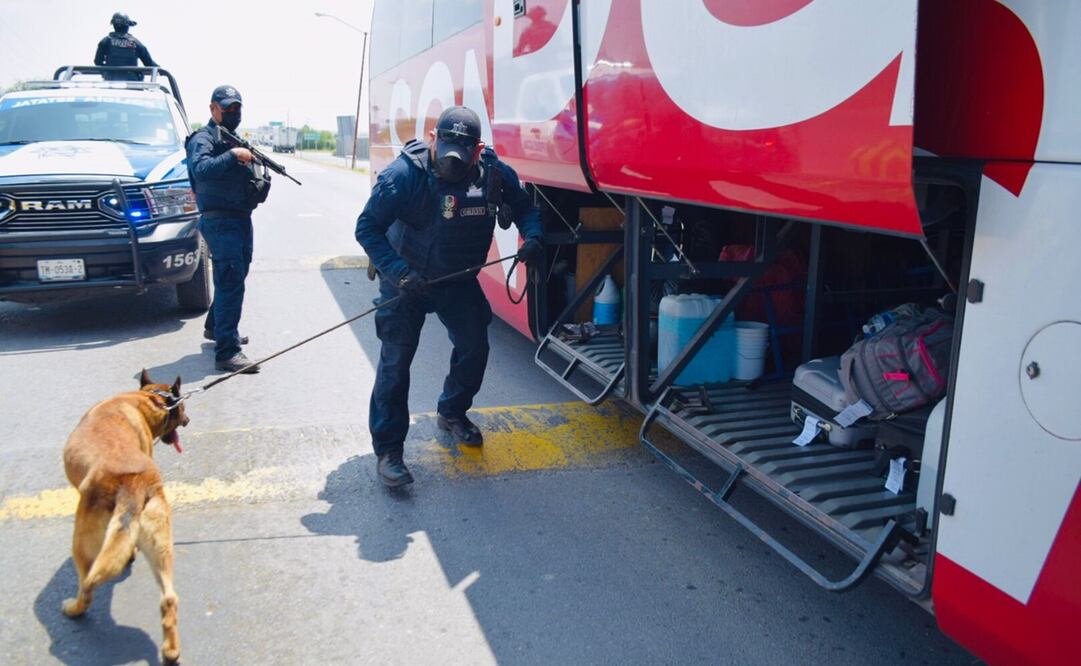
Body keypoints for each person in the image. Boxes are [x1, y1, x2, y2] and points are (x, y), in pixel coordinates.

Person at [355, 105, 544, 487]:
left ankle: (453, 411)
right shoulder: (403, 177)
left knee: (475, 346)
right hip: (406, 281)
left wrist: (533, 237)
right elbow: (367, 229)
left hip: (456, 280)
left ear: (478, 150)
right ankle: (389, 449)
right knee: (395, 363)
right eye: (445, 150)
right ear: (432, 141)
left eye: (463, 153)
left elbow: (526, 207)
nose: (452, 162)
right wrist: (400, 273)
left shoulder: (492, 173)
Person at [185, 85, 271, 374]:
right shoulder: (203, 138)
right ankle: (227, 352)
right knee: (231, 280)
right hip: (219, 220)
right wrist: (234, 154)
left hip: (239, 217)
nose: (234, 113)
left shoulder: (230, 137)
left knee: (235, 275)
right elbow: (201, 169)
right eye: (227, 108)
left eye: (237, 108)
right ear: (213, 109)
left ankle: (218, 329)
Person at [94, 13, 157, 81]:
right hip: (133, 85)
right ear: (128, 26)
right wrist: (161, 70)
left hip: (110, 84)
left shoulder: (105, 42)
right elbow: (149, 64)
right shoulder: (137, 44)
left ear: (113, 25)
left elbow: (98, 61)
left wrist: (107, 72)